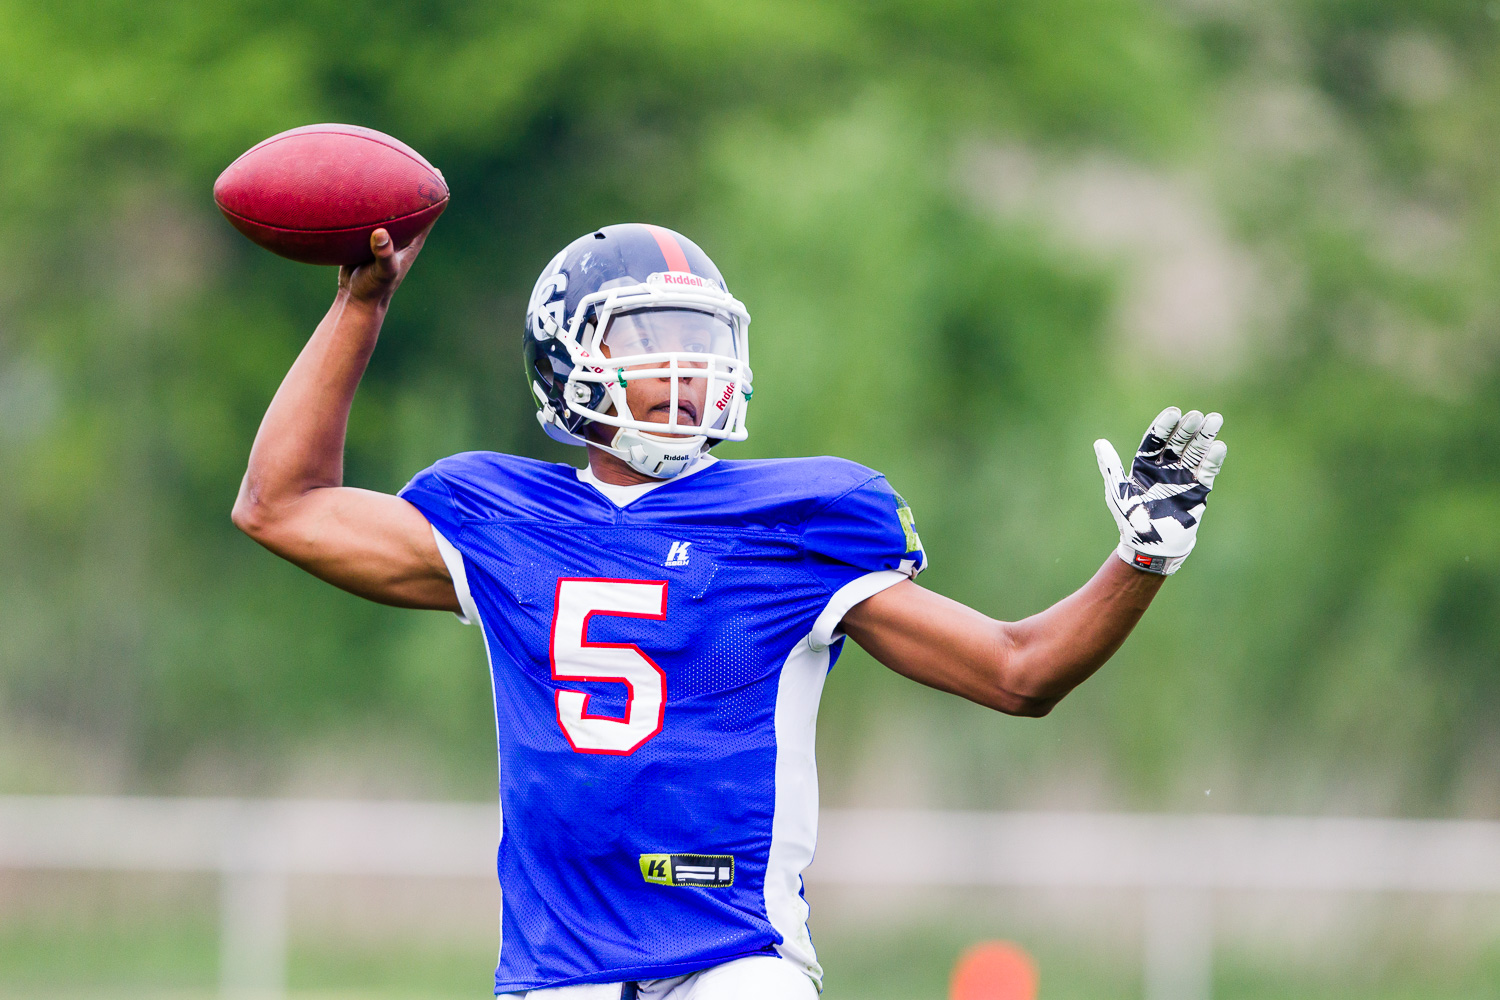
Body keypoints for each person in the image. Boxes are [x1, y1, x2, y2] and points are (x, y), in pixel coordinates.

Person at [232, 222, 1227, 999]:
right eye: (652, 343)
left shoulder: (796, 520)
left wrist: (1143, 555)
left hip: (735, 958)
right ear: (566, 360)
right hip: (555, 966)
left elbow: (1021, 671)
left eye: (700, 342)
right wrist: (362, 303)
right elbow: (280, 505)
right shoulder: (501, 514)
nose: (686, 371)